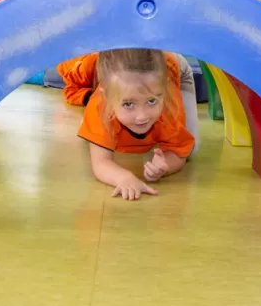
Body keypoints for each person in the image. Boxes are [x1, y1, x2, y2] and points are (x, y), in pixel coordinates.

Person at [76, 48, 196, 200]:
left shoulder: (168, 106)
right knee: (101, 133)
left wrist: (165, 167)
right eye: (128, 104)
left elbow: (178, 152)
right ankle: (95, 129)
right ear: (105, 96)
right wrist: (124, 178)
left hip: (175, 67)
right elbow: (100, 163)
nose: (142, 116)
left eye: (151, 101)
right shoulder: (100, 106)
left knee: (191, 150)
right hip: (122, 71)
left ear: (163, 91)